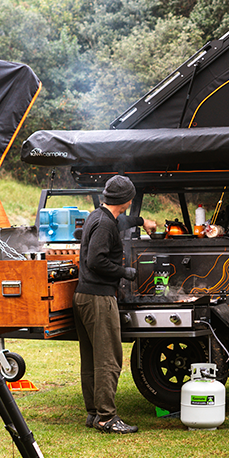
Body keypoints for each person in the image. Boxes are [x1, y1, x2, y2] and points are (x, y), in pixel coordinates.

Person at [74, 174, 155, 434]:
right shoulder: (105, 225)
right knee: (109, 358)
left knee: (91, 359)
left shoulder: (98, 217)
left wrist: (142, 221)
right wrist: (124, 272)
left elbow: (120, 222)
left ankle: (93, 412)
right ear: (128, 200)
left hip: (84, 296)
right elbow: (95, 261)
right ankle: (107, 417)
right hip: (98, 298)